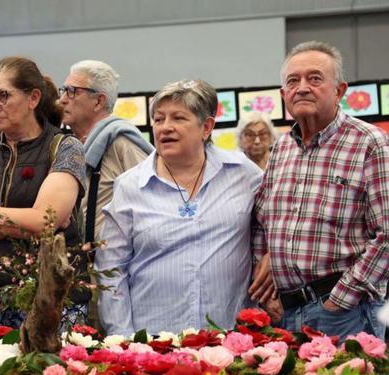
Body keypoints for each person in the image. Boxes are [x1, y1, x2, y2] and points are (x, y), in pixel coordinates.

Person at [96, 80, 263, 335]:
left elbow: (279, 220)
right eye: (159, 119)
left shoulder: (243, 174)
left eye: (178, 118)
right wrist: (123, 339)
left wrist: (273, 258)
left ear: (206, 127)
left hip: (229, 340)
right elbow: (111, 270)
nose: (165, 128)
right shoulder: (130, 186)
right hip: (155, 344)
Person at [252, 41, 389, 339]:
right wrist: (266, 284)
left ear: (340, 91)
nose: (302, 87)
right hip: (283, 314)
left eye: (314, 79)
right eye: (293, 81)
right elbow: (261, 221)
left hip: (344, 315)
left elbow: (387, 234)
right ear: (283, 95)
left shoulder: (370, 143)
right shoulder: (281, 149)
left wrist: (338, 301)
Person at [0, 56, 87, 328]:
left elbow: (43, 222)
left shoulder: (66, 148)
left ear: (33, 98)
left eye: (3, 96)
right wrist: (30, 224)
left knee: (50, 372)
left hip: (48, 301)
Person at [59, 60, 153, 243]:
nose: (62, 99)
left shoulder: (122, 143)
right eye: (63, 90)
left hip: (113, 264)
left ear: (98, 101)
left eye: (72, 91)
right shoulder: (70, 146)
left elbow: (151, 202)